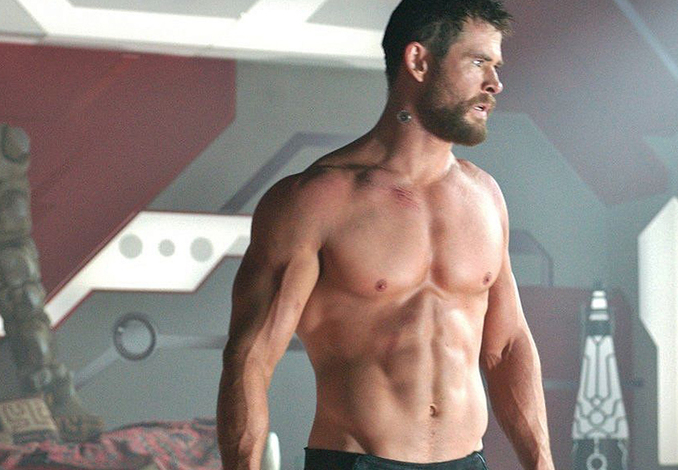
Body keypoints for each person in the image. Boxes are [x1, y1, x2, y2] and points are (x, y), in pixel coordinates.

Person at [217, 1, 555, 469]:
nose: (494, 83)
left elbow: (506, 347)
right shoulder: (316, 201)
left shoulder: (485, 196)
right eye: (478, 62)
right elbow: (250, 360)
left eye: (496, 66)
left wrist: (542, 464)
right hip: (359, 461)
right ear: (418, 61)